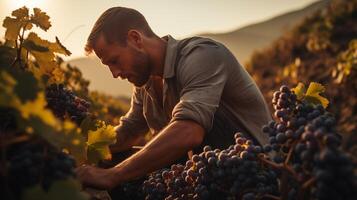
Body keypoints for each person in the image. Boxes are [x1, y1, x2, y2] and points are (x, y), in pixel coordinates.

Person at [76, 6, 271, 189]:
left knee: (118, 171)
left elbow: (189, 130)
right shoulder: (146, 83)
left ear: (136, 39)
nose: (114, 73)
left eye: (114, 61)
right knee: (109, 159)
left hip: (257, 175)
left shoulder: (201, 55)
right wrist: (79, 151)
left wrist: (113, 175)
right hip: (208, 178)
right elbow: (128, 133)